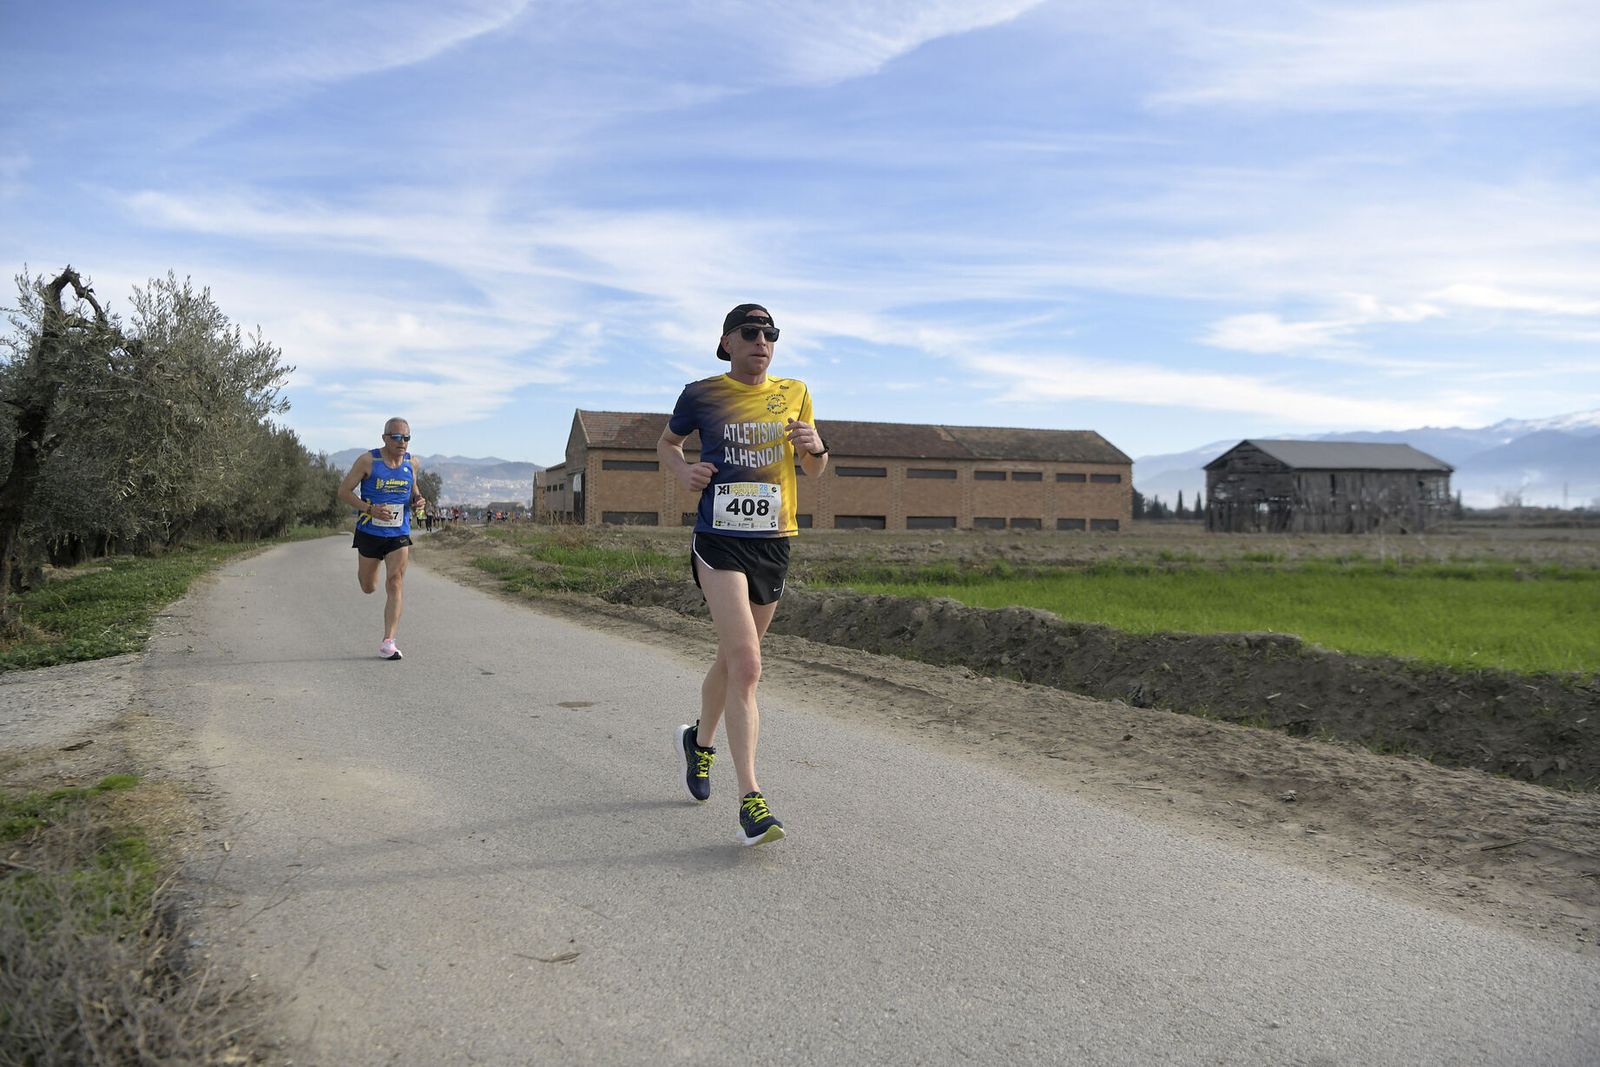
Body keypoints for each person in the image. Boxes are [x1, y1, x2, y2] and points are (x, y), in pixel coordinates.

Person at [658, 304, 829, 846]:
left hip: (773, 543)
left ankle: (699, 743)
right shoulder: (701, 393)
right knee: (749, 665)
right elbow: (667, 444)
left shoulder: (796, 391)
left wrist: (815, 449)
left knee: (732, 662)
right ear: (727, 342)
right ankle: (751, 801)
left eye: (771, 334)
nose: (763, 341)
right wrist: (685, 470)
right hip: (718, 540)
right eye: (751, 333)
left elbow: (815, 466)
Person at [337, 418, 428, 660]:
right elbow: (344, 491)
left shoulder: (412, 463)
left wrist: (418, 500)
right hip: (370, 532)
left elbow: (413, 489)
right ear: (385, 437)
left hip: (399, 532)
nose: (402, 442)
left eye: (406, 437)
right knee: (369, 586)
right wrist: (369, 509)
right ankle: (366, 576)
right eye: (397, 437)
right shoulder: (369, 461)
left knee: (395, 582)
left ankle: (389, 642)